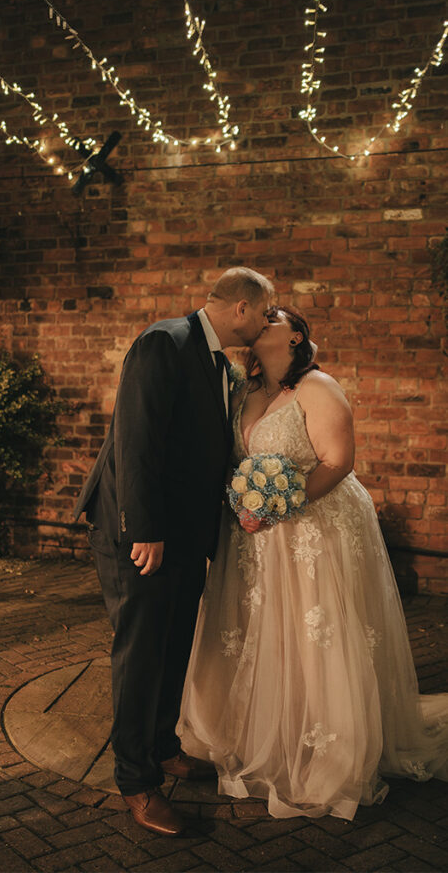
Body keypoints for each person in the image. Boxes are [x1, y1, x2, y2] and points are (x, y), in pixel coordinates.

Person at [179, 305, 448, 821]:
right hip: (253, 537)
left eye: (273, 316)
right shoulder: (244, 391)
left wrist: (279, 504)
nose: (261, 319)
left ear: (296, 335)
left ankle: (325, 749)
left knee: (312, 632)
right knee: (259, 630)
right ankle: (261, 732)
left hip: (310, 528)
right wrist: (246, 507)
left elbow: (338, 461)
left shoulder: (318, 387)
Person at [73, 267, 274, 835]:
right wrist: (146, 530)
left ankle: (163, 747)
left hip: (185, 534)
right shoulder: (166, 342)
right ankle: (136, 781)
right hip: (140, 534)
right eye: (264, 312)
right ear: (241, 308)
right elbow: (137, 441)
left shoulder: (219, 364)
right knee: (141, 655)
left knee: (175, 642)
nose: (265, 323)